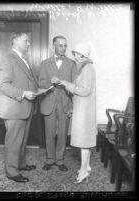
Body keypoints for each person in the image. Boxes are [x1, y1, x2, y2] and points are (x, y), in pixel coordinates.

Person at [0, 32, 39, 183]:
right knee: (14, 142)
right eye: (26, 41)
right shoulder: (8, 58)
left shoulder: (23, 58)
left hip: (25, 107)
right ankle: (12, 172)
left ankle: (20, 164)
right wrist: (24, 93)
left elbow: (28, 81)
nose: (29, 43)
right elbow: (3, 85)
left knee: (22, 140)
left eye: (29, 41)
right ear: (14, 40)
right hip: (14, 109)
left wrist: (37, 90)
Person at [58, 43, 97, 183]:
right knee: (84, 142)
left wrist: (67, 85)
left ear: (83, 55)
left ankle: (83, 171)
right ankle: (85, 168)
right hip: (83, 109)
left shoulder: (87, 68)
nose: (74, 55)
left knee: (83, 142)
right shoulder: (84, 67)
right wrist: (66, 83)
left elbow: (85, 90)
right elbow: (79, 87)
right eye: (74, 53)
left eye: (76, 53)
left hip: (84, 111)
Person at [38, 35, 77, 171]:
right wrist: (50, 81)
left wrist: (72, 106)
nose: (63, 48)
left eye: (65, 45)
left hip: (65, 103)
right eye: (60, 45)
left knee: (62, 133)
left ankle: (60, 160)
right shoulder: (45, 63)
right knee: (49, 133)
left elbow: (75, 85)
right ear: (53, 46)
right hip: (48, 102)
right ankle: (50, 159)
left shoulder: (72, 64)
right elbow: (41, 83)